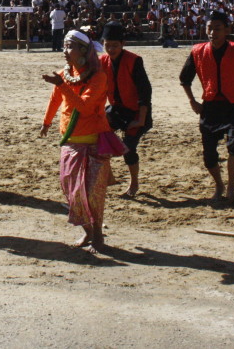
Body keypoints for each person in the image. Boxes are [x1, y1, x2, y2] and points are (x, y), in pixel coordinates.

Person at [41, 30, 122, 251]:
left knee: (92, 193)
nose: (65, 51)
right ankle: (87, 232)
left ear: (84, 51)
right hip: (70, 142)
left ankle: (97, 236)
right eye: (65, 46)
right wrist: (46, 122)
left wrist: (61, 85)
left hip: (94, 142)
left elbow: (84, 107)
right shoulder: (64, 75)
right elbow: (55, 100)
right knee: (71, 191)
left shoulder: (98, 77)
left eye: (70, 47)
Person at [179, 11, 234, 202]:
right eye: (209, 28)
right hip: (209, 108)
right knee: (209, 155)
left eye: (217, 29)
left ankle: (231, 186)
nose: (213, 33)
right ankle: (219, 184)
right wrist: (193, 101)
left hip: (233, 107)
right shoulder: (198, 51)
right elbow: (184, 79)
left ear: (227, 30)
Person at [99, 21, 152, 197]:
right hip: (116, 110)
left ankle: (134, 184)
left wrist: (141, 119)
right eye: (107, 45)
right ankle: (109, 177)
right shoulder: (102, 61)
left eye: (115, 45)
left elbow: (145, 91)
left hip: (137, 112)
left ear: (123, 44)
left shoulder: (134, 61)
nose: (111, 49)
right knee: (98, 136)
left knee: (128, 148)